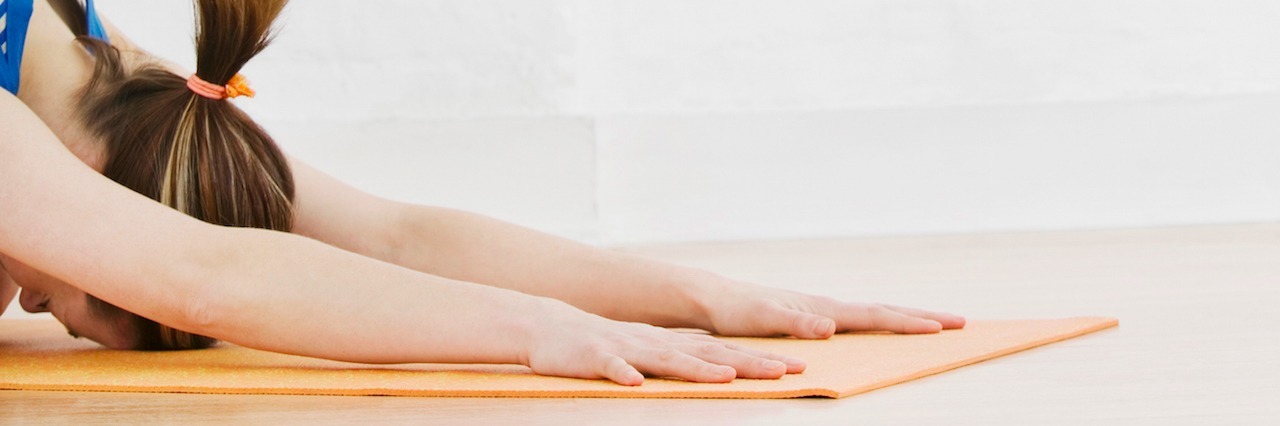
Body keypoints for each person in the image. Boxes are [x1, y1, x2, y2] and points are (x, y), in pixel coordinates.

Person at [0, 0, 965, 385]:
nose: (41, 302)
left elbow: (390, 235)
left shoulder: (94, 64)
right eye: (90, 292)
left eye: (76, 299)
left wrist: (695, 295)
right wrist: (533, 329)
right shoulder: (54, 101)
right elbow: (199, 273)